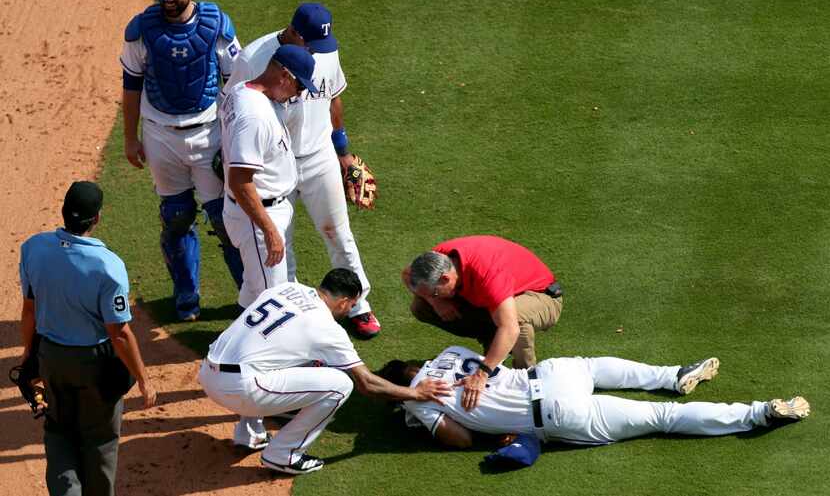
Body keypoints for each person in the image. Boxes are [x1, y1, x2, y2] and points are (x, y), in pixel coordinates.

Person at [223, 3, 381, 338]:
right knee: (282, 244)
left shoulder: (323, 48)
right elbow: (235, 105)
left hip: (319, 154)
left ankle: (357, 303)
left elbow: (333, 96)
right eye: (308, 44)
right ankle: (291, 312)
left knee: (338, 231)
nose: (315, 52)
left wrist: (343, 153)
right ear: (293, 32)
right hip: (273, 163)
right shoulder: (254, 58)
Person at [198, 268, 450, 475]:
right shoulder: (327, 328)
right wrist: (415, 393)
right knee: (340, 385)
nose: (348, 311)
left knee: (277, 356)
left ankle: (249, 434)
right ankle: (283, 454)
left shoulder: (287, 288)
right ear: (343, 301)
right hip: (240, 389)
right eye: (351, 306)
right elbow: (367, 384)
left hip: (208, 371)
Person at [119, 0, 244, 321]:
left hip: (209, 132)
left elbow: (236, 85)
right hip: (159, 134)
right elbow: (131, 84)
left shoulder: (216, 26)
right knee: (175, 215)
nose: (167, 1)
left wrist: (235, 138)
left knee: (224, 219)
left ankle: (250, 296)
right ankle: (186, 296)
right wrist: (129, 136)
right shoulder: (141, 31)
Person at [379, 345, 810, 451]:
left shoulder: (417, 399)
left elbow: (455, 434)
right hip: (550, 374)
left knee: (662, 417)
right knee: (593, 365)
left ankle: (758, 414)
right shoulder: (453, 355)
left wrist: (493, 440)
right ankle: (671, 374)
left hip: (556, 415)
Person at [19, 181, 157, 496]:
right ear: (96, 219)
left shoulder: (33, 248)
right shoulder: (108, 266)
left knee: (58, 432)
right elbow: (119, 333)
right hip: (95, 364)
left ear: (63, 212)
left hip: (51, 358)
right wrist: (144, 379)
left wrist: (30, 357)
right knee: (100, 439)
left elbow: (29, 311)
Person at [402, 235, 562, 409]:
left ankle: (525, 380)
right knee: (420, 306)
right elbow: (406, 274)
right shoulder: (435, 260)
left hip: (541, 296)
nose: (432, 297)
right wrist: (435, 301)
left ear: (445, 279)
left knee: (515, 320)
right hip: (494, 297)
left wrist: (482, 373)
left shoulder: (486, 273)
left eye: (434, 293)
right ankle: (491, 337)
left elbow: (510, 328)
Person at [219, 44, 317, 309]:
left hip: (263, 210)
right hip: (257, 217)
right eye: (300, 87)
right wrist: (269, 231)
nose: (299, 94)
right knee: (273, 305)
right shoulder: (255, 116)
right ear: (284, 76)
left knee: (254, 290)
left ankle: (226, 347)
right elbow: (241, 181)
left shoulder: (242, 90)